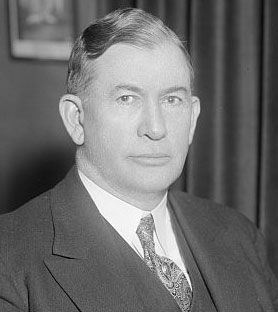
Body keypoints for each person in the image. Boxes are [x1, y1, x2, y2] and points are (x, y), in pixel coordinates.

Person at [0, 8, 277, 312]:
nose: (156, 129)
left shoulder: (239, 235)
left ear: (193, 119)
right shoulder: (10, 257)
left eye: (172, 100)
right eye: (127, 98)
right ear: (76, 119)